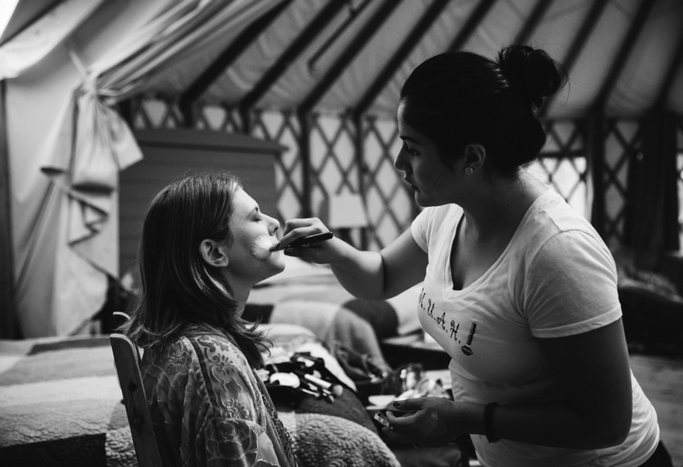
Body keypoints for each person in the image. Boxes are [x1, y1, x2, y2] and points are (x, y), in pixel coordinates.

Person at [274, 45, 672, 466]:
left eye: (413, 148)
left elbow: (606, 422)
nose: (397, 163)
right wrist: (334, 250)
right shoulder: (448, 215)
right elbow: (382, 277)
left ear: (471, 158)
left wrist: (465, 417)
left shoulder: (556, 253)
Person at [121, 172, 297, 467]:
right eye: (255, 218)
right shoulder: (214, 361)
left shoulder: (189, 342)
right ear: (214, 253)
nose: (275, 223)